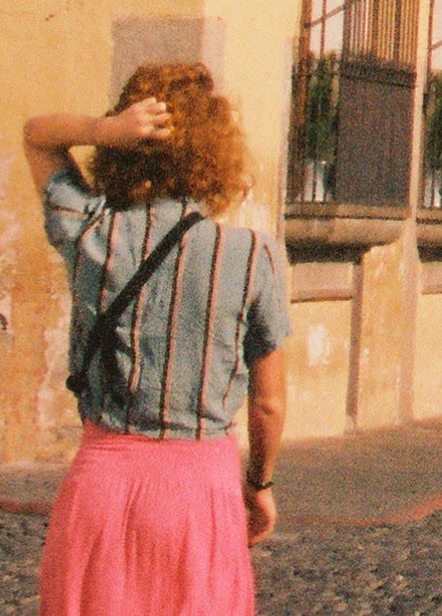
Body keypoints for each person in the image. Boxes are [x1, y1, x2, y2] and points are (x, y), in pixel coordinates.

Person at [22, 64, 290, 616]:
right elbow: (269, 403)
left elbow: (36, 135)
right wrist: (259, 483)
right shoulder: (252, 256)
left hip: (103, 486)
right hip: (201, 494)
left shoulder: (92, 233)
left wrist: (105, 130)